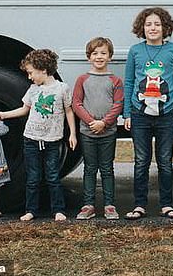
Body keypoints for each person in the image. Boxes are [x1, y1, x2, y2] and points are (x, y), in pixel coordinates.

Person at [0, 48, 77, 222]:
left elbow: (69, 111)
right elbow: (24, 109)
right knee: (32, 177)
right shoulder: (33, 90)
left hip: (53, 140)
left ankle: (58, 210)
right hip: (31, 139)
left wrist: (72, 134)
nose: (30, 77)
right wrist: (4, 114)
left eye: (31, 73)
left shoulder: (62, 89)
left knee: (53, 176)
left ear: (44, 70)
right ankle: (31, 210)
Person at [123, 7, 173, 220]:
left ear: (165, 28)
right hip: (140, 114)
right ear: (142, 27)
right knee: (141, 161)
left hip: (167, 114)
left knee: (165, 161)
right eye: (149, 24)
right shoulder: (135, 51)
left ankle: (166, 205)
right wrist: (127, 113)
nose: (153, 28)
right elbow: (130, 82)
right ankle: (139, 205)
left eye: (157, 24)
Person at [72, 36, 124, 220]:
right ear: (89, 57)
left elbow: (118, 104)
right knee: (90, 168)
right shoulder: (82, 79)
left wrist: (104, 122)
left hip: (108, 132)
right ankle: (88, 205)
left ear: (110, 56)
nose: (99, 57)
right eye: (95, 53)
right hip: (88, 132)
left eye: (103, 53)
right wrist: (91, 122)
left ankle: (109, 205)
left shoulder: (115, 80)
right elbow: (76, 103)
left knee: (107, 168)